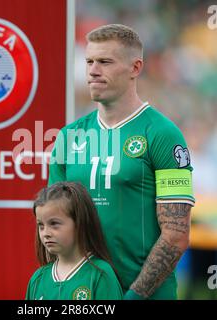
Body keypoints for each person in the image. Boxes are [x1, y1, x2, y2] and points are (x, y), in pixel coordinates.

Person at [48, 24, 195, 300]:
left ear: (135, 68)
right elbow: (53, 223)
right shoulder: (68, 136)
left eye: (105, 62)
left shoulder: (163, 134)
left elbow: (176, 235)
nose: (92, 70)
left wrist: (132, 298)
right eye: (89, 61)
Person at [25, 181, 123, 300]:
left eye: (54, 224)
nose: (46, 233)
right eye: (41, 225)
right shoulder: (38, 279)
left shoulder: (101, 275)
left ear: (80, 223)